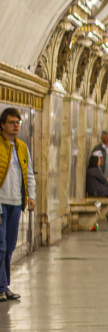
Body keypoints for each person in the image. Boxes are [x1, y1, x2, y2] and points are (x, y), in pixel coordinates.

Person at [0, 108, 36, 301]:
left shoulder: (22, 147)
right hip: (1, 203)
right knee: (1, 246)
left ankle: (4, 285)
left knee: (10, 246)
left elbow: (29, 173)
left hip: (16, 203)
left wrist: (31, 196)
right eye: (12, 122)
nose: (16, 125)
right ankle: (1, 287)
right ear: (2, 125)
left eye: (18, 122)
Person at [85, 155, 108, 223]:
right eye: (99, 160)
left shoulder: (91, 170)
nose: (100, 162)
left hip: (94, 190)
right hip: (97, 192)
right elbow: (103, 180)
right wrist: (106, 180)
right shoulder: (95, 170)